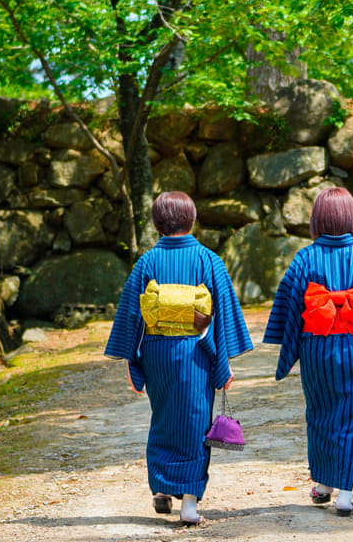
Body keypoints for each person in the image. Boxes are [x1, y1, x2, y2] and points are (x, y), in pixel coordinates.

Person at [104, 191, 253, 526]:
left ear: (157, 222)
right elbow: (223, 315)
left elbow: (132, 317)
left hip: (156, 352)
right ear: (192, 218)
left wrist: (133, 362)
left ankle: (161, 489)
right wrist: (224, 363)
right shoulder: (209, 260)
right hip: (196, 351)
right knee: (196, 423)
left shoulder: (146, 263)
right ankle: (188, 504)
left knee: (163, 417)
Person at [261, 187, 353, 517]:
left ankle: (324, 484)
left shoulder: (304, 258)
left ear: (317, 220)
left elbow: (287, 305)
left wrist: (285, 343)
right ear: (351, 219)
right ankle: (343, 492)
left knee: (320, 414)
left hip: (317, 348)